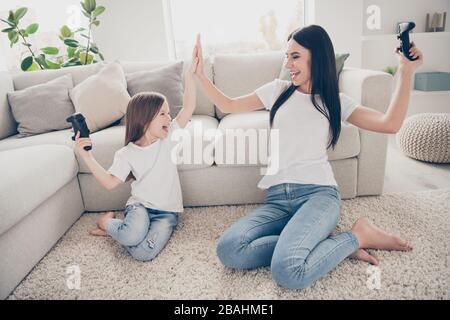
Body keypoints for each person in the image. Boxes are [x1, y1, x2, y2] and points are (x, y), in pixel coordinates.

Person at [192, 25, 422, 289]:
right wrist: (200, 75)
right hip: (278, 199)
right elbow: (228, 105)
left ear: (318, 56)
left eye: (295, 56)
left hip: (318, 196)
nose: (287, 63)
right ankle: (320, 245)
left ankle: (357, 236)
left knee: (288, 272)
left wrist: (406, 70)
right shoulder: (277, 90)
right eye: (286, 56)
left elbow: (389, 123)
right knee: (229, 249)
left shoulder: (335, 101)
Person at [73, 51, 199, 262]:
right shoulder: (127, 153)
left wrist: (189, 75)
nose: (169, 118)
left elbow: (189, 107)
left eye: (168, 113)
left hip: (166, 214)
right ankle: (107, 223)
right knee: (132, 235)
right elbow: (110, 183)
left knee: (143, 252)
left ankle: (118, 231)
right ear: (144, 119)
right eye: (163, 114)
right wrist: (86, 157)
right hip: (139, 207)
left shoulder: (168, 138)